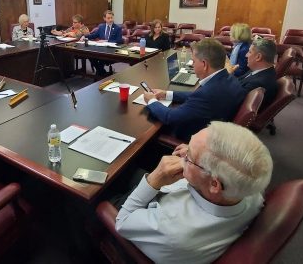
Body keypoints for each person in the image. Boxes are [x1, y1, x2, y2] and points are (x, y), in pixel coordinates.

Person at [116, 121, 273, 264]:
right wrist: (195, 153)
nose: (183, 155)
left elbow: (122, 221)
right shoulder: (250, 190)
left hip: (136, 211)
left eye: (189, 157)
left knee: (117, 179)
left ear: (214, 184)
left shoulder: (172, 231)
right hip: (172, 194)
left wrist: (153, 180)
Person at [144, 38, 246, 141]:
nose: (192, 65)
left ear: (204, 64)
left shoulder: (207, 94)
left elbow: (169, 117)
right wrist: (166, 94)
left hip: (190, 139)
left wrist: (151, 100)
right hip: (216, 129)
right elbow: (196, 95)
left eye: (193, 61)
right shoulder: (230, 79)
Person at [239, 38, 278, 110]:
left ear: (258, 57)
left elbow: (235, 101)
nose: (246, 55)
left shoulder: (259, 83)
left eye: (249, 52)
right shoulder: (260, 70)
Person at [84, 10, 124, 76]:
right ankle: (103, 73)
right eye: (108, 18)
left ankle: (100, 73)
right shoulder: (101, 27)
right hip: (101, 49)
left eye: (111, 18)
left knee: (101, 59)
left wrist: (106, 41)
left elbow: (119, 41)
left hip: (111, 51)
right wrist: (85, 36)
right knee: (90, 56)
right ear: (104, 18)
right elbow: (94, 35)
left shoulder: (117, 28)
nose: (111, 20)